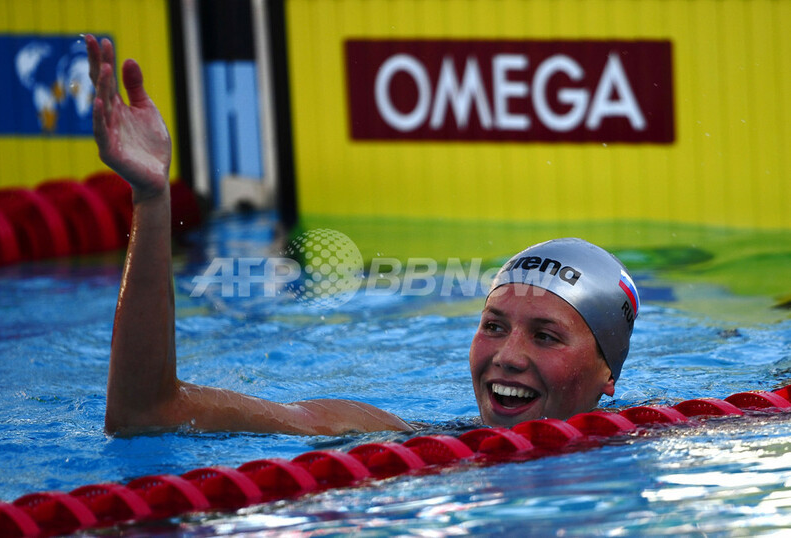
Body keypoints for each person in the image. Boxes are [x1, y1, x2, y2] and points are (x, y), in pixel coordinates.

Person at [85, 35, 639, 437]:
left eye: (545, 336)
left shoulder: (668, 436)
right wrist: (152, 201)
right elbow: (146, 413)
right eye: (493, 326)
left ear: (607, 373)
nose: (508, 356)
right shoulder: (392, 439)